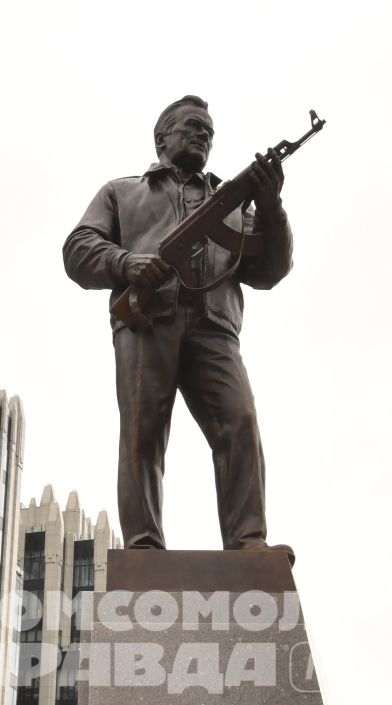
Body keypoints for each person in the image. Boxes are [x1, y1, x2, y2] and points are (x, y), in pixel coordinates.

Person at [62, 95, 295, 553]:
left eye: (209, 130)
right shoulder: (123, 192)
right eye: (193, 126)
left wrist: (271, 208)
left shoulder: (231, 206)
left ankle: (249, 542)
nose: (204, 135)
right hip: (148, 322)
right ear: (161, 137)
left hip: (215, 328)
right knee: (143, 432)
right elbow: (77, 249)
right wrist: (127, 263)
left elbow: (272, 269)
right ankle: (144, 546)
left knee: (240, 421)